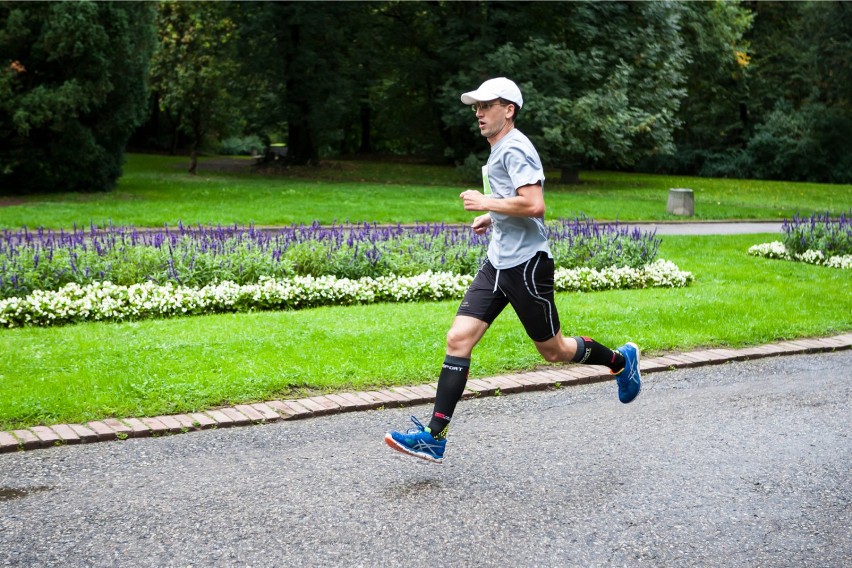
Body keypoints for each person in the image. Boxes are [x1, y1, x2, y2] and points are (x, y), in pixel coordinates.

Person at [384, 77, 641, 464]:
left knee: (553, 351)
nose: (479, 113)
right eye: (476, 107)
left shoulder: (516, 147)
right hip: (498, 262)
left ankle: (621, 363)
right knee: (459, 338)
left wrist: (485, 201)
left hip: (527, 266)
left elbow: (535, 204)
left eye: (488, 106)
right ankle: (434, 438)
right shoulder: (500, 148)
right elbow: (515, 200)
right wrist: (492, 215)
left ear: (509, 110)